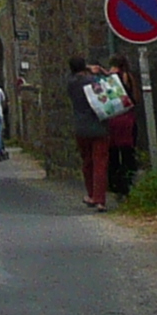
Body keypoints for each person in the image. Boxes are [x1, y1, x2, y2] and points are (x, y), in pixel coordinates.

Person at [64, 56, 113, 210]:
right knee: (100, 163)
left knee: (87, 162)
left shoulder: (71, 84)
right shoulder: (93, 81)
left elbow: (71, 77)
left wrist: (85, 69)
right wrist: (101, 72)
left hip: (81, 128)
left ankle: (91, 194)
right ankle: (100, 199)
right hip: (99, 126)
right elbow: (111, 86)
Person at [107, 57, 143, 200]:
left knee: (113, 153)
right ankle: (127, 183)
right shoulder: (128, 76)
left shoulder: (109, 79)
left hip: (113, 120)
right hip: (128, 118)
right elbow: (136, 98)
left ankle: (116, 185)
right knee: (128, 152)